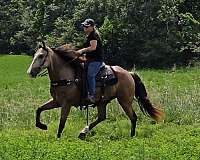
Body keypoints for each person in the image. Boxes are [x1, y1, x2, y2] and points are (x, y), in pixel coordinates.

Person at [77, 18, 104, 103]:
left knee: (90, 75)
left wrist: (82, 50)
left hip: (96, 60)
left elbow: (93, 47)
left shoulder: (93, 35)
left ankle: (92, 95)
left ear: (92, 27)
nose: (85, 27)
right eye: (84, 26)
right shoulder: (88, 35)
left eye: (87, 26)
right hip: (90, 59)